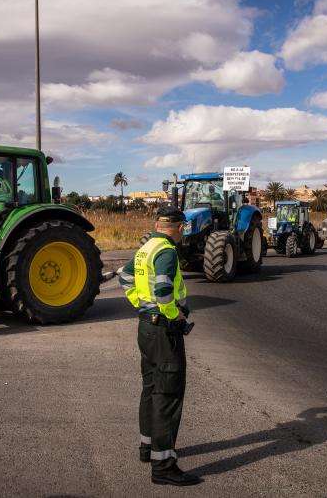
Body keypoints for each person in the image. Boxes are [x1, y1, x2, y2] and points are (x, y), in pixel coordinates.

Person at [118, 206, 201, 486]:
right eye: (183, 228)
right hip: (164, 331)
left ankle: (148, 448)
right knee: (168, 394)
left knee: (151, 388)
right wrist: (172, 314)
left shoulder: (146, 247)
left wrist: (141, 305)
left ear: (157, 224)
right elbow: (165, 290)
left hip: (146, 328)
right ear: (181, 227)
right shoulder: (166, 251)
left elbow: (126, 278)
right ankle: (163, 465)